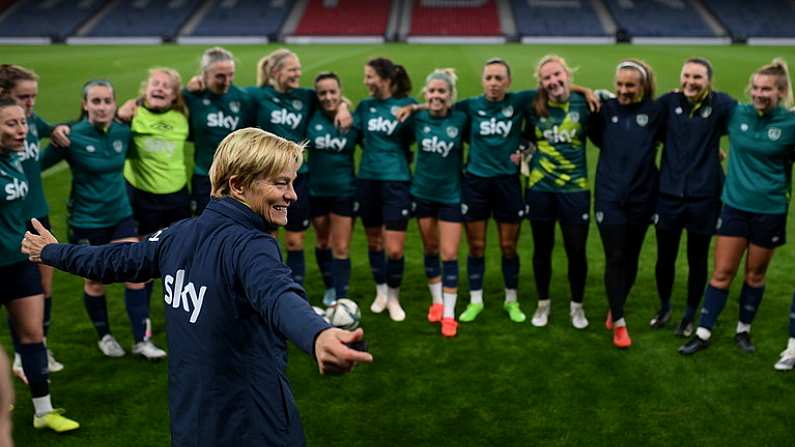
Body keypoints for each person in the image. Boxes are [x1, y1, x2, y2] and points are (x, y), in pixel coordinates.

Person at [23, 127, 372, 445]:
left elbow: (113, 262)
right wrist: (318, 335)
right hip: (252, 423)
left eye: (292, 182)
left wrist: (52, 251)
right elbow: (278, 292)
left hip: (191, 420)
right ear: (237, 185)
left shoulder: (179, 233)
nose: (292, 195)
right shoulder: (251, 244)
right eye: (281, 183)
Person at [41, 80, 166, 359]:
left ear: (114, 104)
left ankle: (141, 341)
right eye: (95, 101)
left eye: (107, 101)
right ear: (85, 105)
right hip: (87, 220)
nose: (102, 107)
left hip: (121, 216)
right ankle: (105, 336)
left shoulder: (123, 131)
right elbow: (35, 166)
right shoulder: (70, 135)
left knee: (137, 274)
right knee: (96, 281)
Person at [679, 59, 795, 356]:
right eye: (755, 88)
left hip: (769, 209)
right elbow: (700, 108)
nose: (758, 94)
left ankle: (743, 330)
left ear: (780, 92)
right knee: (722, 272)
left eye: (766, 89)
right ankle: (703, 332)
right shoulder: (736, 113)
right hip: (734, 206)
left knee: (754, 275)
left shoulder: (790, 124)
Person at [0, 97, 79, 432]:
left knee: (33, 336)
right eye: (12, 124)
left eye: (23, 122)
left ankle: (43, 411)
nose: (22, 130)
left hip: (18, 263)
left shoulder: (15, 159)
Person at [652, 58, 736, 336]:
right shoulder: (667, 103)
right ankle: (664, 307)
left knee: (697, 258)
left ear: (708, 80)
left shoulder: (722, 104)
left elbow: (749, 117)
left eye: (697, 77)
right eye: (686, 76)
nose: (690, 82)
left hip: (705, 196)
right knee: (665, 256)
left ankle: (690, 313)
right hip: (668, 195)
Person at [590, 59, 664, 349]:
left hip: (644, 196)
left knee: (632, 256)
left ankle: (616, 303)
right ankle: (619, 322)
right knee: (615, 256)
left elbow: (683, 136)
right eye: (619, 84)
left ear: (643, 86)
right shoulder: (604, 110)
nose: (623, 90)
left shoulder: (657, 112)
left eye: (630, 85)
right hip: (609, 196)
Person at [0, 64, 63, 378]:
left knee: (42, 287)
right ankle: (21, 356)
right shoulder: (7, 127)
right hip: (12, 219)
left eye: (33, 97)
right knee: (17, 289)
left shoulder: (31, 121)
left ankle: (38, 348)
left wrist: (58, 143)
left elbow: (40, 159)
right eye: (23, 97)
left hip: (38, 214)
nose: (30, 104)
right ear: (5, 96)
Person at [524, 55, 592, 330]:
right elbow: (526, 138)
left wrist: (585, 90)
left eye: (557, 75)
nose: (553, 81)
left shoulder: (586, 103)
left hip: (575, 190)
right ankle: (543, 304)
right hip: (540, 189)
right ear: (540, 83)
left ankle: (577, 306)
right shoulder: (532, 105)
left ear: (568, 74)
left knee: (576, 250)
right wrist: (523, 153)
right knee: (542, 249)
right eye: (546, 78)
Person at [405, 68, 467, 336]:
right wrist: (415, 106)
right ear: (425, 93)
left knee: (449, 254)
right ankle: (437, 302)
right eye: (432, 91)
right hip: (423, 194)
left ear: (451, 95)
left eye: (442, 91)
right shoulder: (417, 117)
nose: (436, 95)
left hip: (451, 195)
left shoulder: (462, 118)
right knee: (430, 248)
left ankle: (450, 314)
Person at [356, 57, 416, 321]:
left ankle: (394, 296)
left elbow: (438, 113)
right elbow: (355, 136)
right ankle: (381, 292)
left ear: (386, 79)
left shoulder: (406, 106)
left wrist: (417, 106)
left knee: (394, 249)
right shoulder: (365, 107)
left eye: (370, 76)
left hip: (397, 182)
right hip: (368, 180)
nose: (366, 81)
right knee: (374, 241)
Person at [306, 72, 359, 306]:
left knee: (341, 246)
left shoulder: (352, 120)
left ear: (340, 91)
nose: (328, 97)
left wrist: (345, 108)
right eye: (322, 93)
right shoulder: (310, 116)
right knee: (322, 242)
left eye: (332, 92)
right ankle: (329, 286)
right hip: (316, 191)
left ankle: (341, 295)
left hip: (343, 191)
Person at [183, 47, 254, 215]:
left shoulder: (243, 98)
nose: (227, 81)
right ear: (205, 74)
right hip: (204, 176)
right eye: (220, 76)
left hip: (237, 178)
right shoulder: (190, 97)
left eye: (231, 75)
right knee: (205, 229)